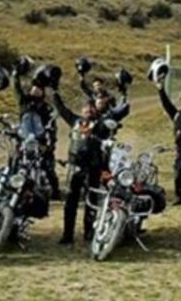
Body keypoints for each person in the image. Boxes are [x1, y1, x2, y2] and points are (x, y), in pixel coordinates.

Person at [52, 91, 105, 245]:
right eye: (85, 108)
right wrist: (55, 92)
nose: (88, 111)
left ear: (95, 109)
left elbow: (114, 120)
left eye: (91, 108)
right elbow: (61, 109)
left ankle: (89, 232)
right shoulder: (75, 121)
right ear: (82, 110)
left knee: (91, 201)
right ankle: (67, 234)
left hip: (93, 167)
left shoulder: (100, 123)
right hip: (75, 166)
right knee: (70, 202)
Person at [14, 65, 62, 199]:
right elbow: (17, 90)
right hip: (24, 139)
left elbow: (52, 126)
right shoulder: (24, 102)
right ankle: (11, 187)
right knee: (15, 162)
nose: (35, 90)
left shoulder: (46, 108)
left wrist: (49, 145)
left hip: (40, 140)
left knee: (48, 167)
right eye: (33, 88)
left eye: (39, 88)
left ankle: (55, 192)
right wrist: (15, 76)